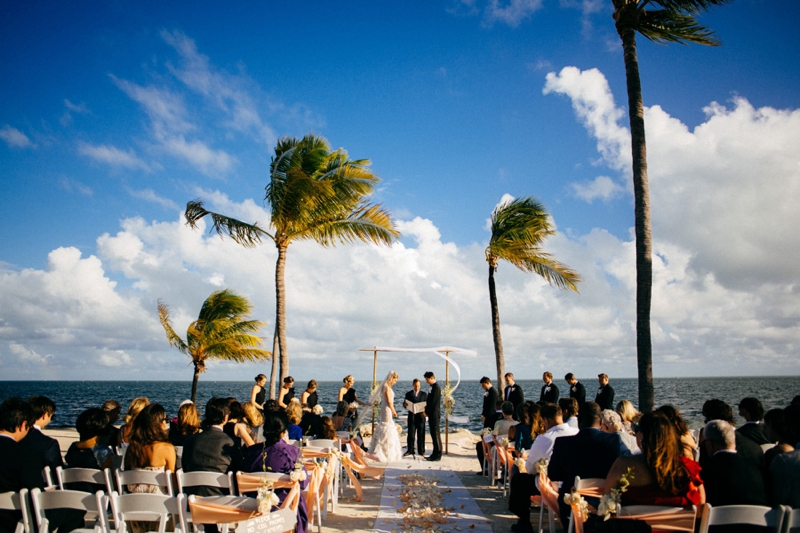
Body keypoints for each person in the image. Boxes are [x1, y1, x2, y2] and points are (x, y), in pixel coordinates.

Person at [547, 402, 627, 527]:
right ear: (601, 422)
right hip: (609, 508)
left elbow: (553, 474)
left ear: (579, 421)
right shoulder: (614, 441)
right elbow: (627, 469)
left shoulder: (563, 444)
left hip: (572, 509)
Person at [604, 411, 704, 508]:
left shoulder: (622, 465)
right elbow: (700, 509)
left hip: (633, 523)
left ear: (640, 436)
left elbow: (607, 504)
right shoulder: (687, 468)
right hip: (678, 524)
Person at [508, 402, 579, 533]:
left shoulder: (545, 438)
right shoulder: (577, 432)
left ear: (546, 420)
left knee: (519, 481)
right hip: (575, 483)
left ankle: (524, 522)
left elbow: (529, 469)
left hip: (552, 482)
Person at [244, 411, 310, 533]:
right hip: (283, 505)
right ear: (284, 432)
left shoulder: (252, 451)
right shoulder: (293, 452)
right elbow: (303, 484)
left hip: (254, 505)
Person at [124, 404, 177, 533]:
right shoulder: (166, 448)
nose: (166, 423)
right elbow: (173, 484)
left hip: (134, 509)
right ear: (158, 423)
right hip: (160, 510)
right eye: (165, 420)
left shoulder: (132, 448)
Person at [701, 419, 767, 507]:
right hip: (760, 518)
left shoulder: (706, 472)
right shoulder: (757, 468)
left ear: (709, 445)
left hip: (719, 519)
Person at [182, 398, 242, 494]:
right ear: (225, 418)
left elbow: (185, 468)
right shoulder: (231, 443)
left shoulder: (189, 441)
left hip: (193, 500)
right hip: (221, 501)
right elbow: (238, 472)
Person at [64, 408, 115, 492]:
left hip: (74, 495)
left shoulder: (73, 449)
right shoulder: (103, 453)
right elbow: (111, 483)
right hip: (97, 499)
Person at [21, 396, 63, 486]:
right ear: (45, 415)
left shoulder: (14, 439)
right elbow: (58, 475)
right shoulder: (49, 444)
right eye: (52, 416)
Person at [364, 371, 403, 462]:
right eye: (395, 380)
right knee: (387, 426)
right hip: (387, 409)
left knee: (386, 425)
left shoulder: (384, 386)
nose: (395, 382)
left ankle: (384, 449)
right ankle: (384, 451)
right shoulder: (387, 387)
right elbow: (389, 401)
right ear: (391, 378)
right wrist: (394, 410)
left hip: (385, 408)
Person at [404, 378, 427, 457]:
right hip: (412, 416)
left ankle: (421, 450)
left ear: (420, 386)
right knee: (411, 434)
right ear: (413, 385)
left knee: (421, 434)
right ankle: (410, 450)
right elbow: (404, 403)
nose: (417, 388)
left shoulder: (424, 394)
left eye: (418, 386)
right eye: (415, 386)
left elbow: (427, 404)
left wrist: (425, 409)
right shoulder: (408, 394)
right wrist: (405, 405)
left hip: (420, 417)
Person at [424, 371, 442, 462]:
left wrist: (426, 411)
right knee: (433, 434)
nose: (426, 381)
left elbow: (433, 403)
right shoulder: (432, 387)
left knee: (436, 434)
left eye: (427, 379)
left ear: (431, 378)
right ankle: (435, 453)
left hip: (434, 414)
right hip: (432, 414)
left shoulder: (436, 388)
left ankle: (438, 454)